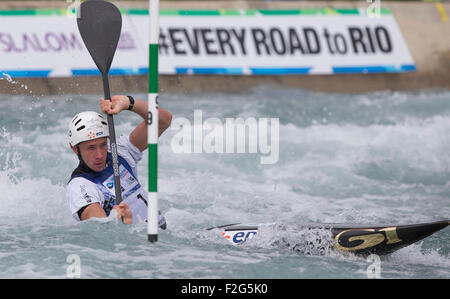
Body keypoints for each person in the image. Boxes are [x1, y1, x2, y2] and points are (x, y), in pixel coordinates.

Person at [66, 95, 172, 226]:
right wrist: (125, 224)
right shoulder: (80, 186)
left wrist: (128, 103)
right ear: (75, 149)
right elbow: (102, 234)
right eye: (91, 148)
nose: (99, 155)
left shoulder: (120, 152)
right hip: (143, 245)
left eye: (103, 144)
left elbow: (163, 120)